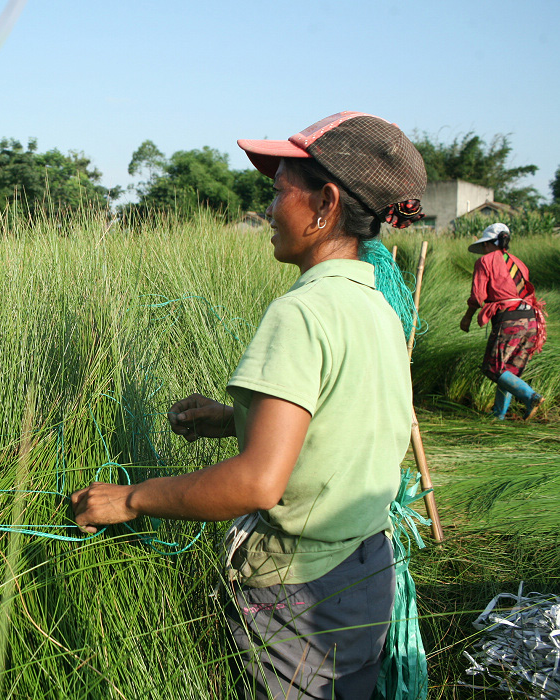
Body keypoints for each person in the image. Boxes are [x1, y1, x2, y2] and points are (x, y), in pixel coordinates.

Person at [70, 111, 427, 699]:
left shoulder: (302, 313)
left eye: (280, 191)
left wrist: (131, 499)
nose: (268, 209)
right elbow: (347, 426)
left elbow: (258, 483)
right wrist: (229, 418)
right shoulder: (379, 308)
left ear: (325, 204)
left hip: (301, 595)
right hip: (366, 571)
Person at [460, 223, 546, 420]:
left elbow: (478, 296)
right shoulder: (520, 264)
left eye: (484, 246)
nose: (482, 250)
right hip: (531, 321)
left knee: (492, 367)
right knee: (508, 372)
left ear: (490, 244)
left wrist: (467, 317)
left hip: (510, 320)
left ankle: (531, 396)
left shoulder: (485, 261)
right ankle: (498, 415)